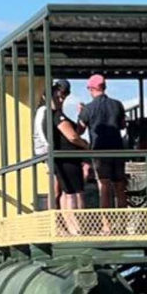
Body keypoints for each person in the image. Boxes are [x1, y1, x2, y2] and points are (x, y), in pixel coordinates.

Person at [78, 74, 127, 210]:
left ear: (91, 88)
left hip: (99, 151)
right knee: (120, 185)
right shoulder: (117, 104)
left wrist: (80, 113)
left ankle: (107, 226)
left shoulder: (88, 109)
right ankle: (122, 225)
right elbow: (123, 125)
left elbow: (79, 131)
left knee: (104, 186)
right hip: (118, 149)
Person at [48, 78, 90, 214]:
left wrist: (81, 116)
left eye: (64, 96)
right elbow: (72, 136)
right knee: (71, 193)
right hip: (63, 158)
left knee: (63, 192)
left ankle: (64, 226)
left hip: (62, 158)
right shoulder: (55, 115)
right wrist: (86, 146)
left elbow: (76, 132)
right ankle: (73, 227)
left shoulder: (56, 114)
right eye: (60, 95)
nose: (61, 99)